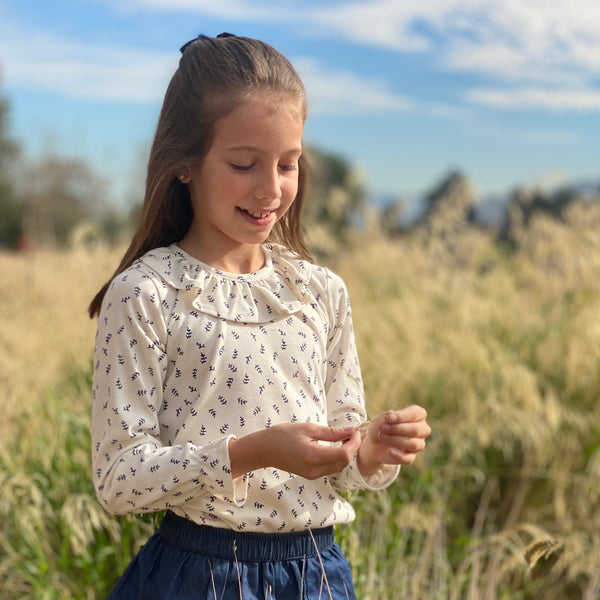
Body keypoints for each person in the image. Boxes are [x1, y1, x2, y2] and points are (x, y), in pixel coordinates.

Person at [89, 33, 431, 600]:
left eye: (289, 164)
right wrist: (250, 453)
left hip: (316, 575)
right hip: (197, 577)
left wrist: (370, 449)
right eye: (244, 164)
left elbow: (343, 453)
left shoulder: (318, 291)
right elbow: (119, 480)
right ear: (185, 164)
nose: (271, 189)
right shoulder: (146, 294)